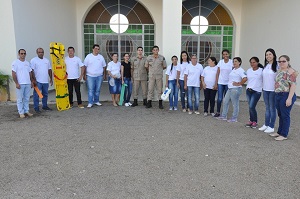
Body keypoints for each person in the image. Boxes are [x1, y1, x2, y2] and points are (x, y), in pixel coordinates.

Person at [270, 55, 297, 141]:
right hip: (278, 94)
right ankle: (279, 132)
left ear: (288, 61)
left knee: (285, 115)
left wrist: (289, 98)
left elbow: (293, 85)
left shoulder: (291, 71)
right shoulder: (280, 70)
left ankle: (284, 134)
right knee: (280, 114)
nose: (281, 63)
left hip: (286, 95)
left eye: (283, 61)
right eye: (280, 61)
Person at [217, 57, 247, 122]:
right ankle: (224, 116)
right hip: (230, 88)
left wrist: (239, 83)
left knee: (235, 103)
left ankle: (234, 118)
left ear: (239, 62)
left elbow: (245, 78)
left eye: (236, 61)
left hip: (236, 89)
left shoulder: (241, 70)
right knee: (225, 101)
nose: (234, 63)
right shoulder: (233, 69)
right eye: (233, 61)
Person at [258, 48, 277, 133]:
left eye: (270, 54)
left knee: (272, 108)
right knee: (267, 108)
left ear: (273, 55)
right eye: (266, 55)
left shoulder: (277, 66)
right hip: (265, 90)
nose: (268, 56)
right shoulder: (265, 66)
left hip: (273, 90)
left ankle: (271, 126)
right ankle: (266, 124)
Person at [12, 49, 34, 118]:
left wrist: (31, 81)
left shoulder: (27, 63)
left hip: (27, 83)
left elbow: (30, 73)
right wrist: (16, 83)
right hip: (20, 84)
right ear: (19, 54)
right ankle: (21, 112)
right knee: (20, 99)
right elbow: (13, 73)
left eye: (24, 53)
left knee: (27, 98)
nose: (23, 55)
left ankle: (26, 111)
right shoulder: (15, 63)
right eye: (21, 53)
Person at [30, 47, 53, 113]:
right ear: (37, 53)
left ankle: (44, 106)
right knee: (36, 95)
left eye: (42, 52)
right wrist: (33, 80)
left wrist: (51, 79)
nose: (41, 53)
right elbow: (32, 70)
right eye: (39, 52)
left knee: (45, 94)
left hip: (45, 81)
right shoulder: (33, 60)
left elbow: (49, 70)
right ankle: (36, 107)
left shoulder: (46, 60)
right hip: (38, 81)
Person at [245, 57, 263, 128]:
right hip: (248, 90)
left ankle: (255, 121)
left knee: (252, 106)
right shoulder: (249, 70)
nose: (252, 64)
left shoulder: (261, 70)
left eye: (254, 62)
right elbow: (246, 78)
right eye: (251, 62)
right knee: (250, 107)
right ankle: (251, 120)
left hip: (256, 91)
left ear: (257, 62)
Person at [214, 49, 233, 117]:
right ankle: (218, 111)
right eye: (224, 54)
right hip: (221, 82)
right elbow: (218, 73)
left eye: (226, 54)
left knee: (226, 99)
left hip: (228, 83)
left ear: (229, 54)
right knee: (219, 98)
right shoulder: (221, 62)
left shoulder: (231, 62)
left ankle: (225, 112)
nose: (225, 55)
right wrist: (216, 83)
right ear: (222, 55)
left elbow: (234, 72)